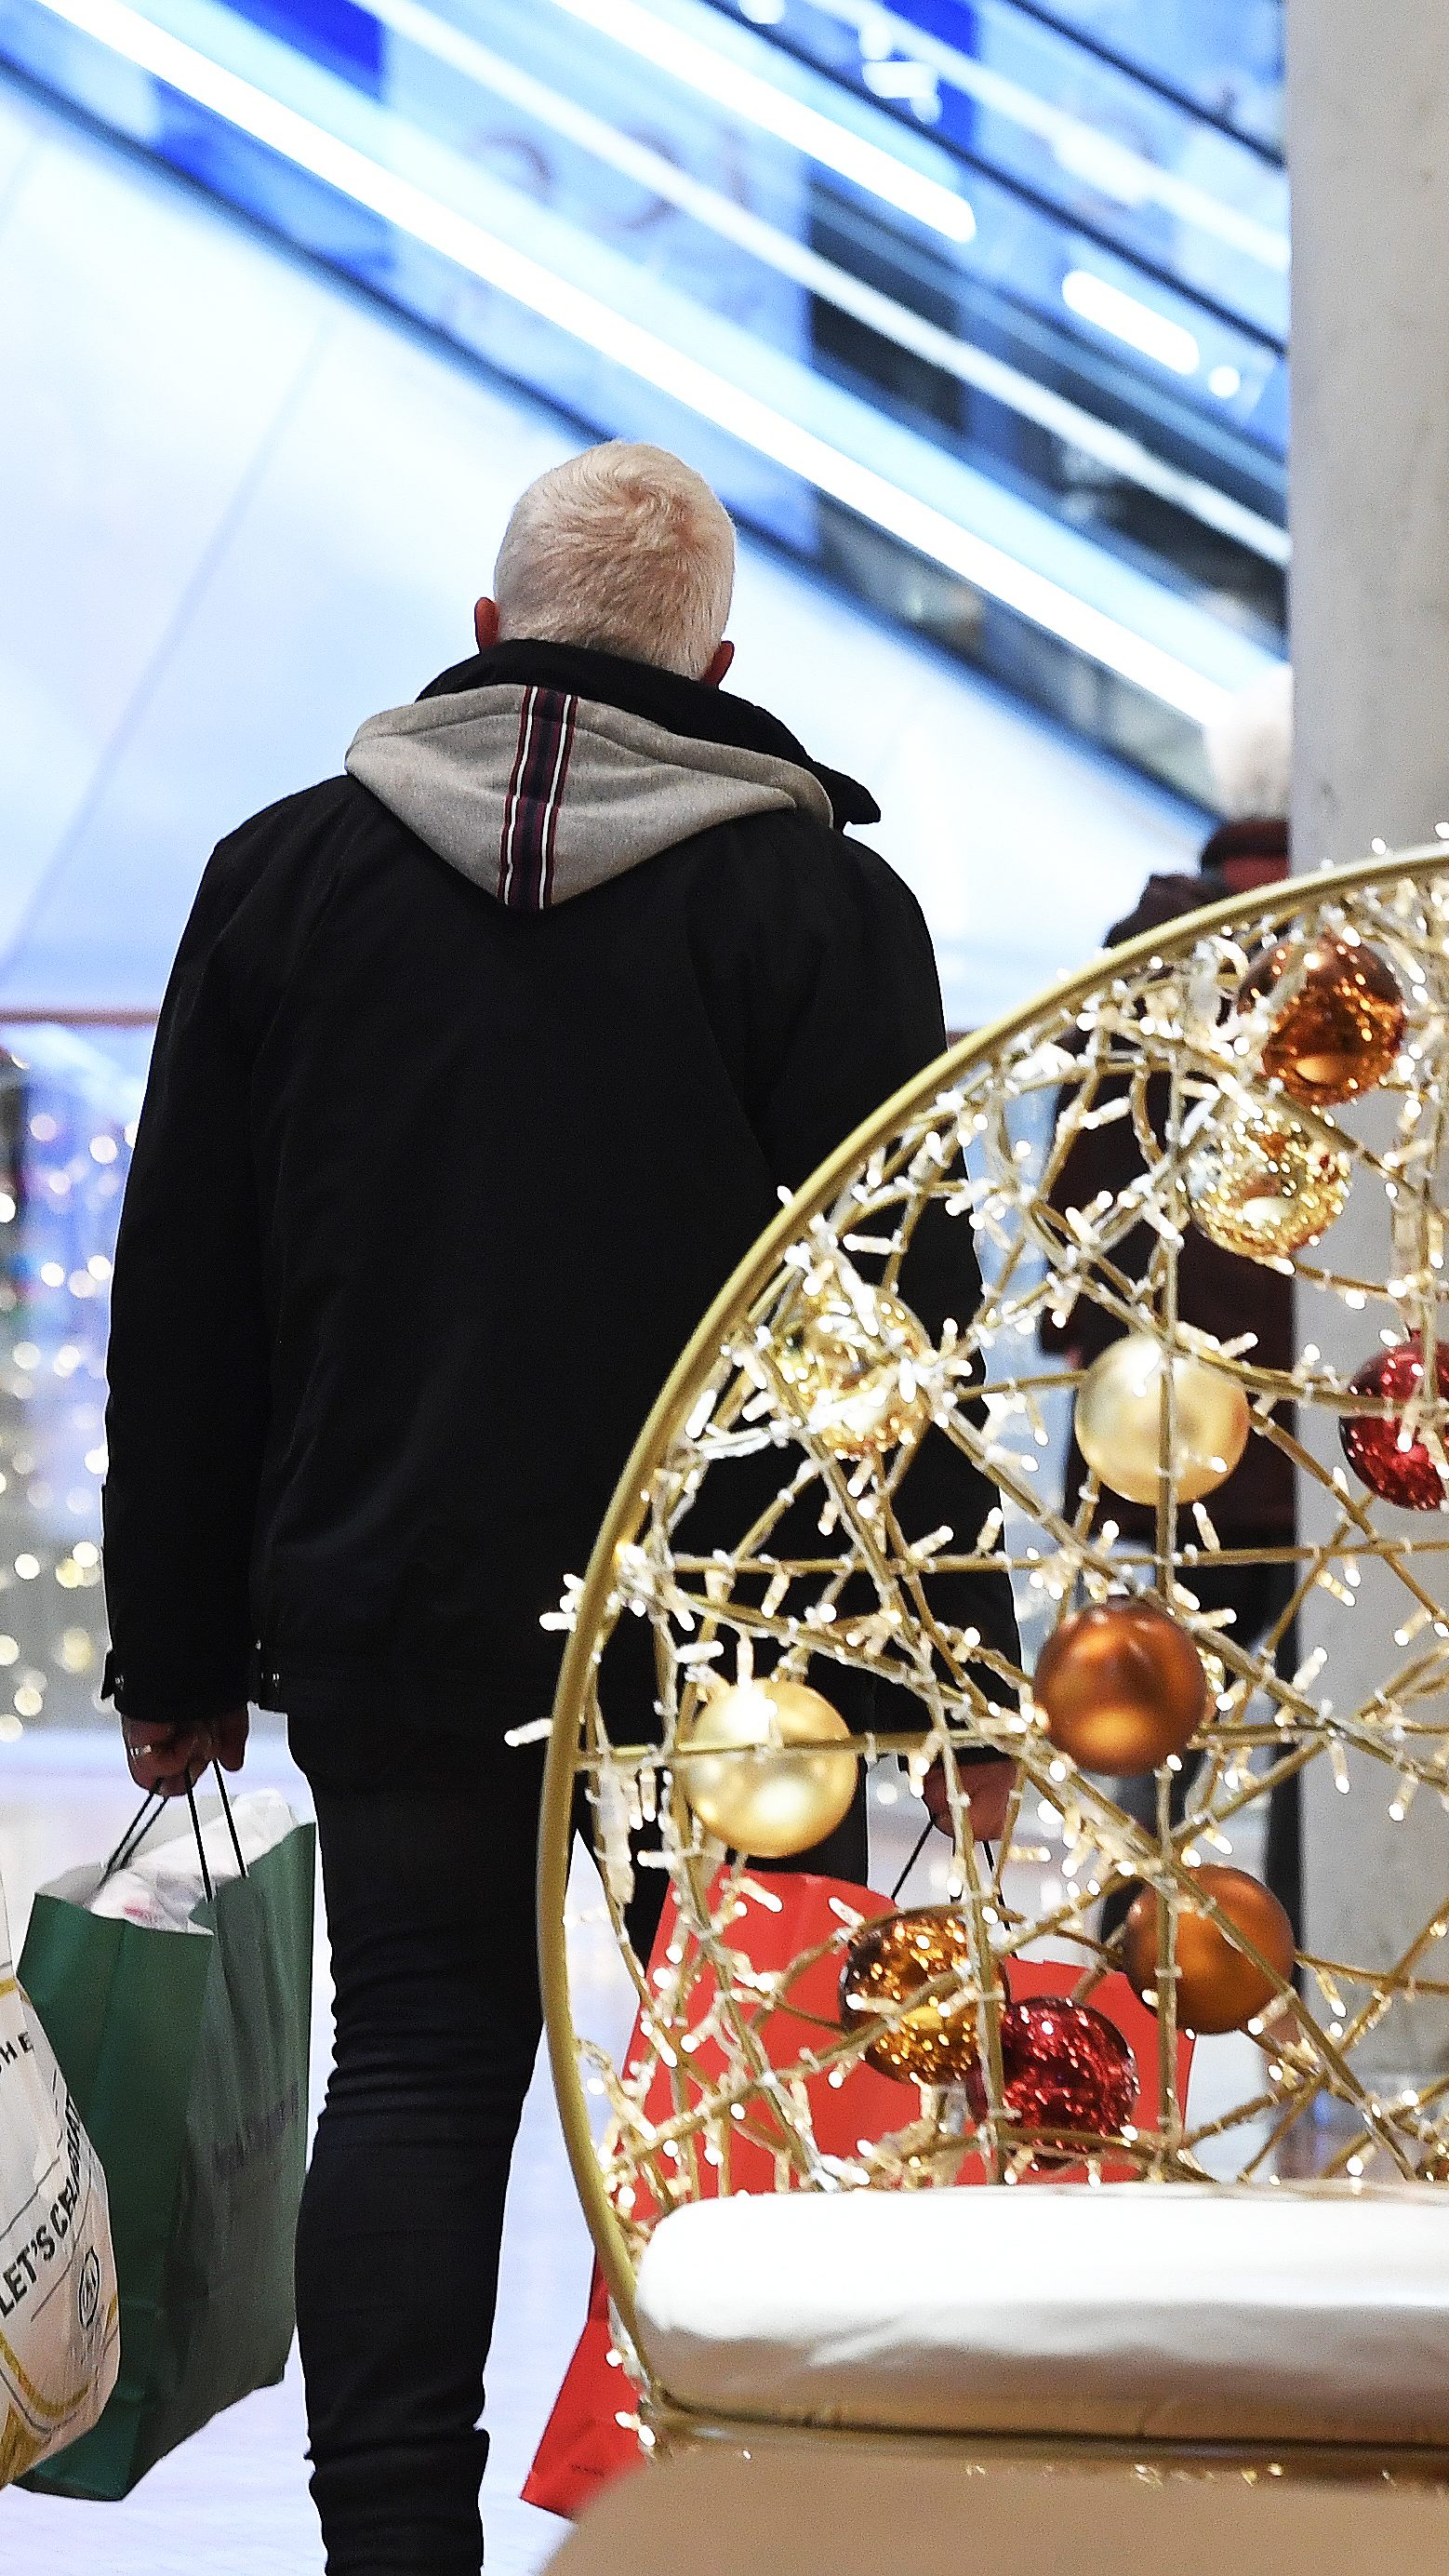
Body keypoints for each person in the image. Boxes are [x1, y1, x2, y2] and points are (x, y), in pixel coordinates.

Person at [100, 442, 1018, 2575]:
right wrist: (948, 1681)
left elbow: (189, 1292)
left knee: (415, 2067)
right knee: (749, 2084)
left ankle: (391, 2547)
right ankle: (724, 2521)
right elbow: (904, 1322)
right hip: (746, 1642)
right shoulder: (822, 907)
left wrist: (172, 1654)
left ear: (493, 630)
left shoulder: (282, 877)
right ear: (715, 658)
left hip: (396, 1590)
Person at [1039, 663, 1298, 1942]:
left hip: (1156, 1421)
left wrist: (1080, 1328)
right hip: (1323, 1422)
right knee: (1323, 1739)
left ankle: (1129, 1978)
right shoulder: (1356, 948)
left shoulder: (1152, 948)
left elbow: (1076, 1174)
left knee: (1146, 1710)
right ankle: (1314, 1992)